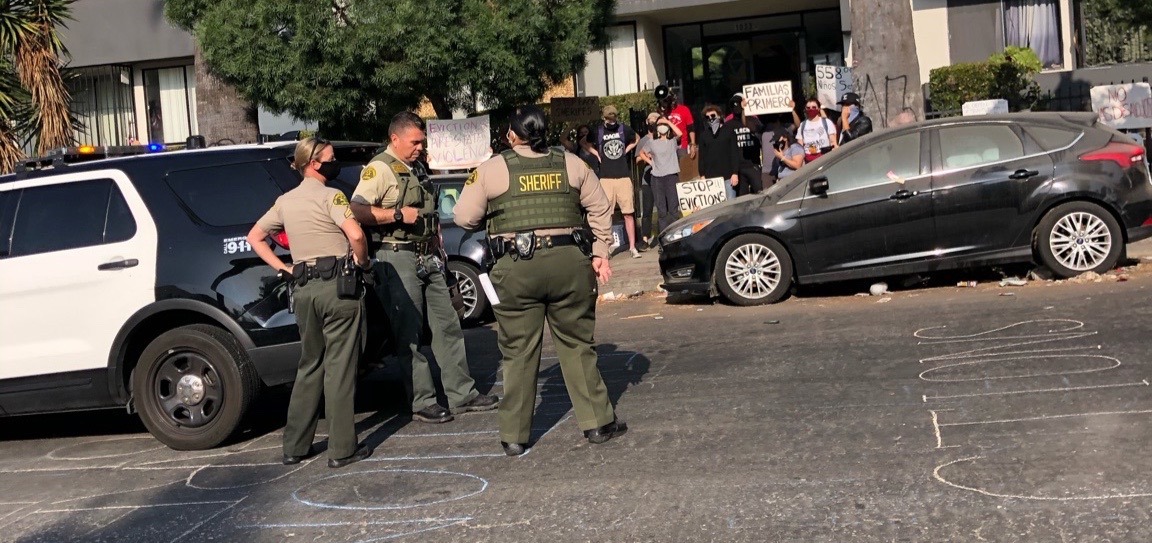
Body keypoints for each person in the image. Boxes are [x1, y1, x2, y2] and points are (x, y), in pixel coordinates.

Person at [453, 105, 627, 456]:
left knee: (517, 352)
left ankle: (514, 436)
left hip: (517, 267)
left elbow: (463, 217)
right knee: (578, 345)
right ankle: (598, 423)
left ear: (512, 135)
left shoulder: (492, 168)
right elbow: (600, 207)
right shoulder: (571, 163)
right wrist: (600, 251)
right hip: (569, 263)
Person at [350, 112, 498, 425]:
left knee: (448, 326)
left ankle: (463, 394)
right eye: (415, 141)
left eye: (422, 141)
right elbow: (357, 210)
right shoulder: (379, 168)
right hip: (397, 256)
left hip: (429, 256)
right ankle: (423, 401)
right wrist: (396, 216)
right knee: (409, 333)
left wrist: (439, 247)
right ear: (395, 139)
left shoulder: (416, 166)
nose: (420, 146)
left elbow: (428, 212)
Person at [245, 137, 373, 469]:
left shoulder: (285, 201)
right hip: (338, 288)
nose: (335, 163)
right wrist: (362, 263)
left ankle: (295, 446)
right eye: (330, 159)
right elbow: (356, 235)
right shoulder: (333, 196)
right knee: (340, 367)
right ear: (314, 164)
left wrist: (283, 268)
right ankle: (342, 449)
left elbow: (254, 237)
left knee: (310, 364)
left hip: (302, 288)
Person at [586, 105, 641, 258]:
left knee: (628, 212)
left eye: (614, 118)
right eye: (609, 119)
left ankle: (632, 247)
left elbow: (636, 138)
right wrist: (597, 154)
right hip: (606, 178)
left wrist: (626, 149)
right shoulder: (598, 131)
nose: (612, 121)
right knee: (606, 214)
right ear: (604, 118)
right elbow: (585, 143)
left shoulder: (624, 129)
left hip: (623, 176)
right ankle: (608, 248)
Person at [637, 111, 683, 236]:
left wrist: (667, 122)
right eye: (659, 125)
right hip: (657, 179)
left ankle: (676, 236)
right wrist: (650, 162)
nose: (662, 127)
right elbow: (641, 153)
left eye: (664, 125)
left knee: (673, 210)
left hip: (671, 177)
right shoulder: (652, 142)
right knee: (661, 211)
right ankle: (664, 238)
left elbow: (680, 133)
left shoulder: (672, 141)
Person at [696, 104, 741, 200]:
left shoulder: (729, 132)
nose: (710, 119)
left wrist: (735, 173)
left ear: (719, 116)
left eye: (713, 116)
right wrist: (702, 175)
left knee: (730, 206)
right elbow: (702, 157)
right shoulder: (704, 135)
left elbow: (735, 153)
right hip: (711, 179)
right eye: (707, 117)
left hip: (728, 177)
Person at [655, 84, 698, 180]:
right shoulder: (661, 112)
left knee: (683, 171)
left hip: (682, 145)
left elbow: (691, 128)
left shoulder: (684, 110)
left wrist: (693, 144)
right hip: (667, 146)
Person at [726, 93, 766, 196]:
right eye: (734, 107)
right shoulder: (728, 125)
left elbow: (756, 130)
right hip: (738, 168)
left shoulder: (753, 120)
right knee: (742, 197)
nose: (737, 109)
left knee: (759, 193)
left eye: (738, 106)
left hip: (753, 165)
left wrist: (745, 111)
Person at [790, 97, 838, 163]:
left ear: (818, 109)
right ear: (805, 109)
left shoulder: (827, 122)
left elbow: (833, 143)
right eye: (808, 108)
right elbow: (800, 146)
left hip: (825, 158)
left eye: (814, 107)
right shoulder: (803, 125)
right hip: (809, 160)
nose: (811, 109)